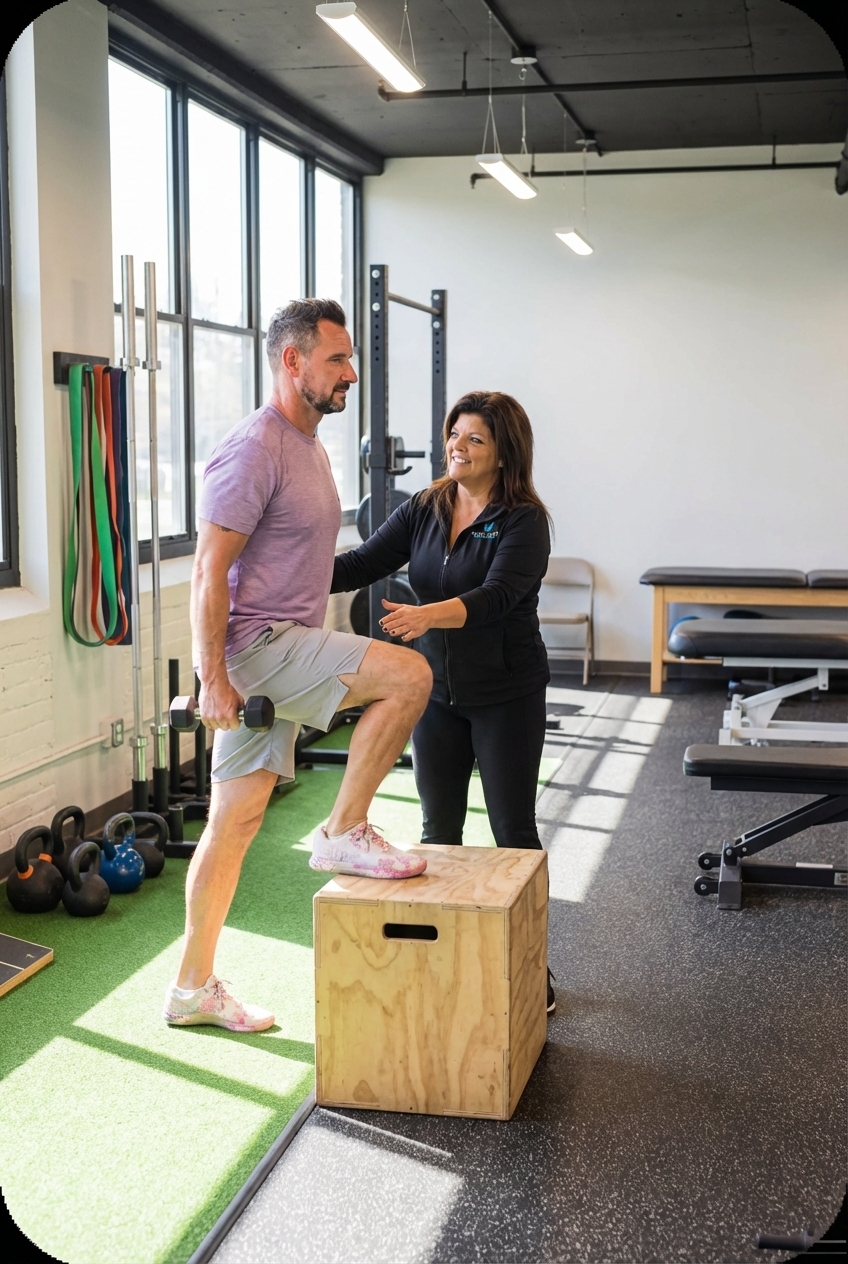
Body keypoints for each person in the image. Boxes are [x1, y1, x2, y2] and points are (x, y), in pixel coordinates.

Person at [163, 298, 432, 1035]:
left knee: (234, 823)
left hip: (274, 646)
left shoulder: (308, 444)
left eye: (350, 360)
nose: (350, 374)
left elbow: (309, 560)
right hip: (261, 647)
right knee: (410, 677)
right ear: (293, 361)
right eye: (338, 360)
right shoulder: (255, 447)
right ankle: (344, 828)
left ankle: (192, 988)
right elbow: (207, 572)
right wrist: (214, 676)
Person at [331, 391, 556, 1009]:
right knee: (439, 832)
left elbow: (499, 596)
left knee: (513, 832)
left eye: (474, 438)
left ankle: (535, 971)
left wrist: (429, 614)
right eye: (454, 434)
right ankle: (449, 966)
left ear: (504, 451)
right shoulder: (427, 506)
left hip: (506, 694)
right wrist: (282, 574)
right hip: (436, 696)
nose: (457, 445)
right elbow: (362, 561)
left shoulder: (523, 520)